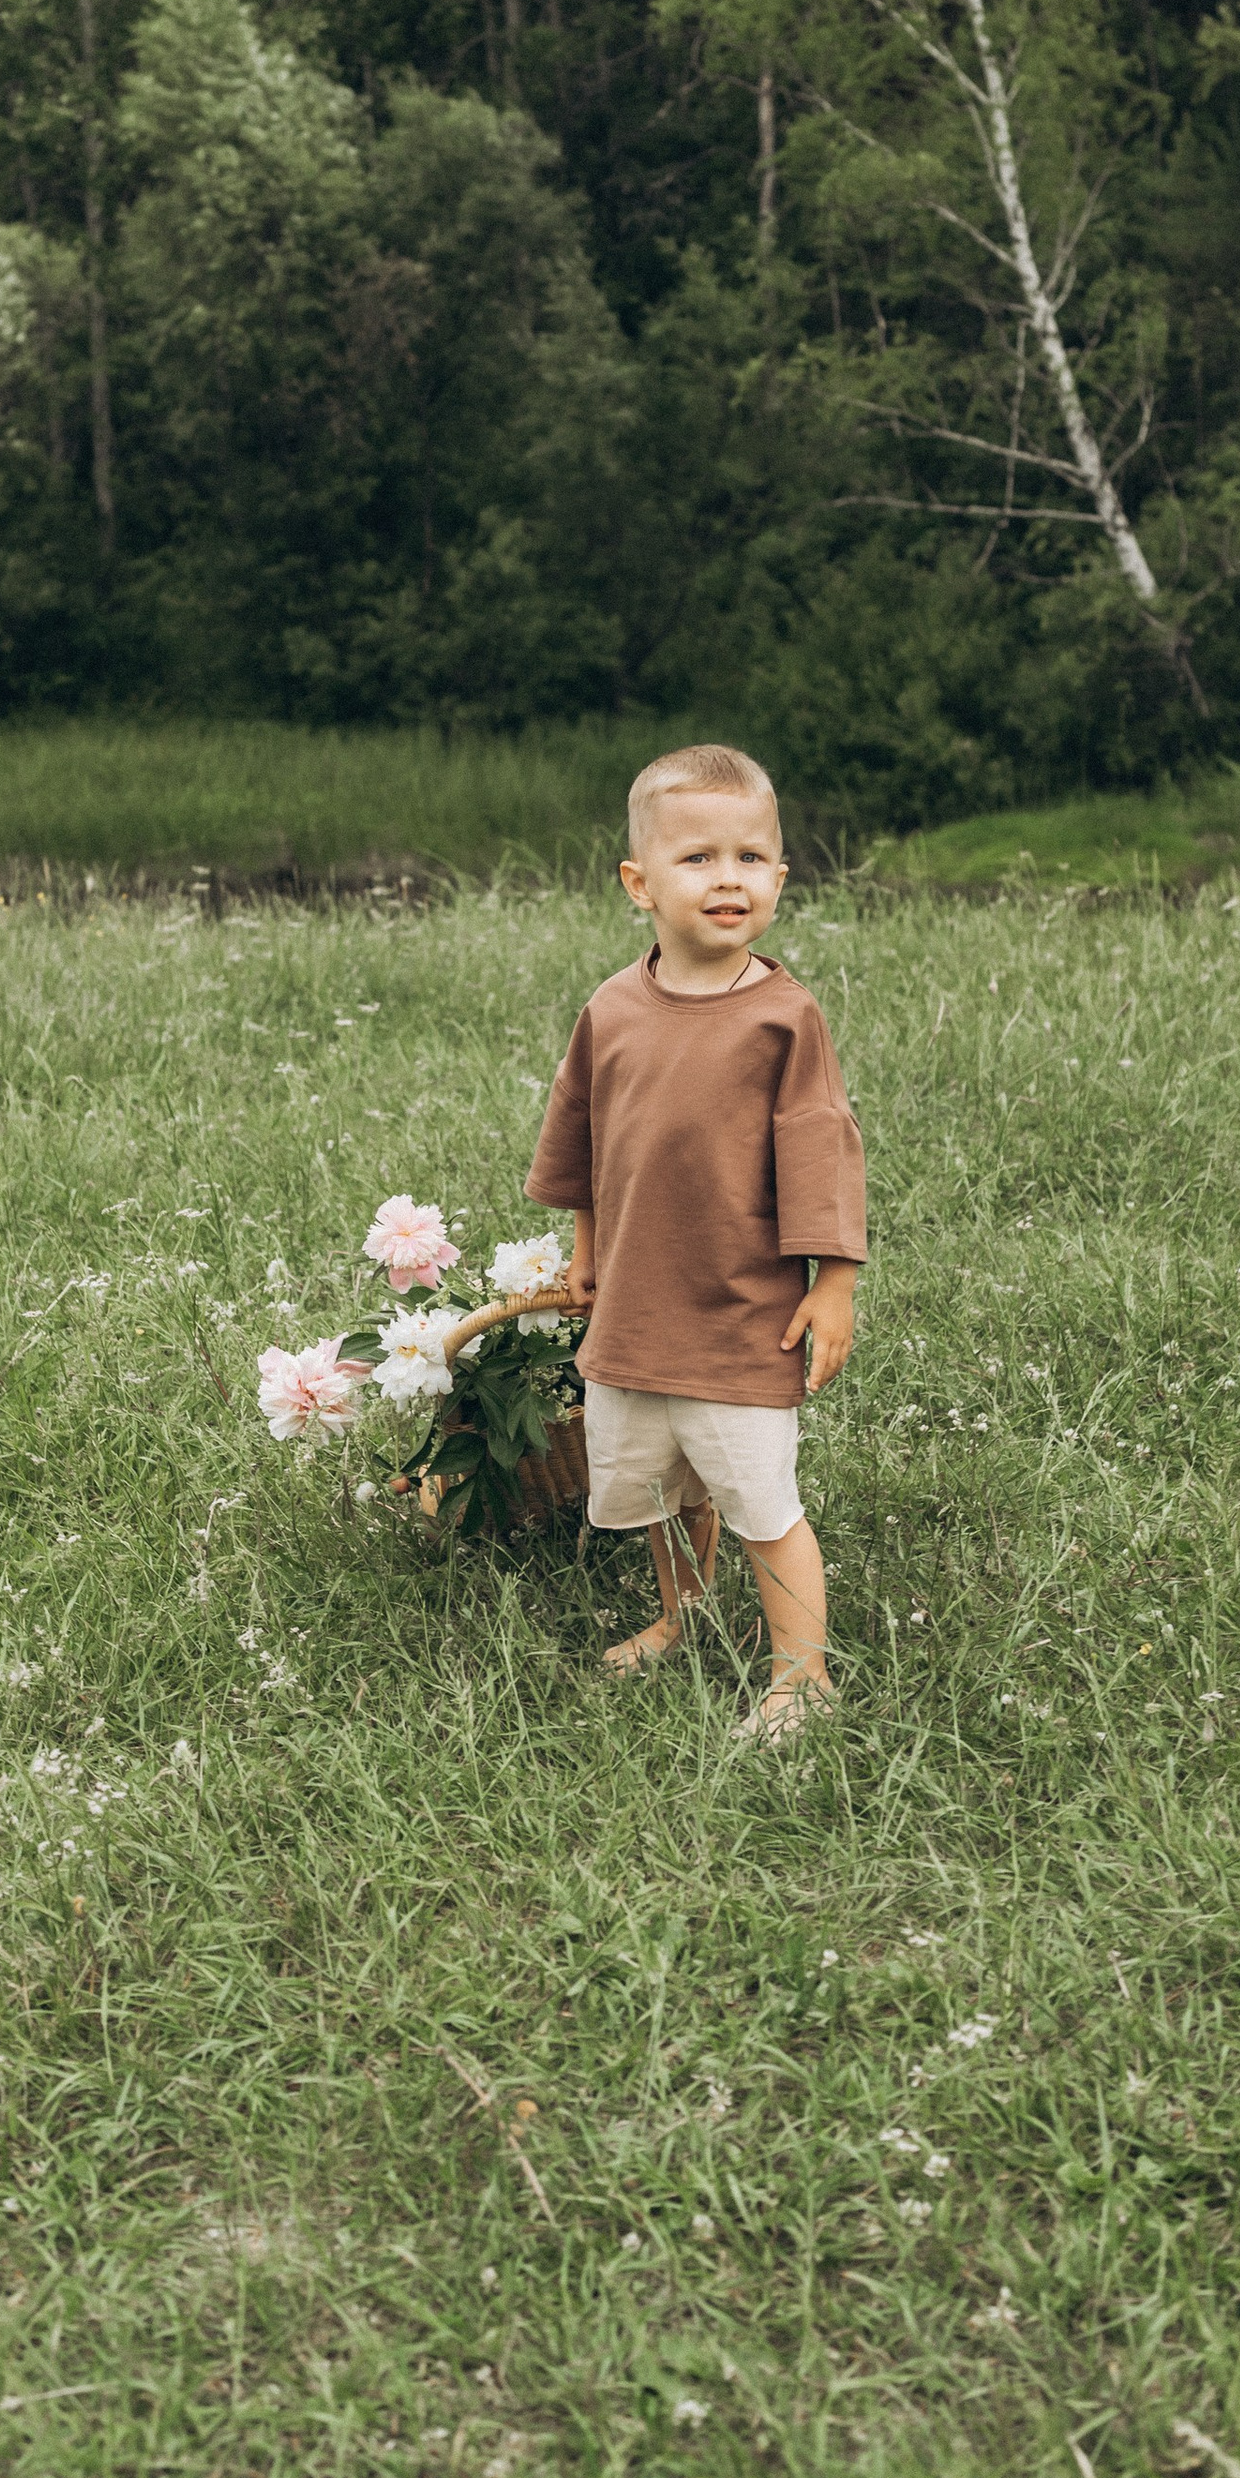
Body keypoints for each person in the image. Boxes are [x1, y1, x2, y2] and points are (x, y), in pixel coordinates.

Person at [524, 742, 866, 1738]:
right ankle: (682, 1611)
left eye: (751, 858)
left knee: (759, 1499)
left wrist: (833, 1278)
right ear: (639, 883)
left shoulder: (782, 1018)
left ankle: (801, 1678)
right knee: (658, 1489)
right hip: (637, 1307)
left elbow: (821, 1151)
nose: (729, 879)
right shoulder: (613, 1009)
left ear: (780, 877)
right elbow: (584, 1139)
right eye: (699, 859)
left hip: (738, 1315)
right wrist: (587, 1250)